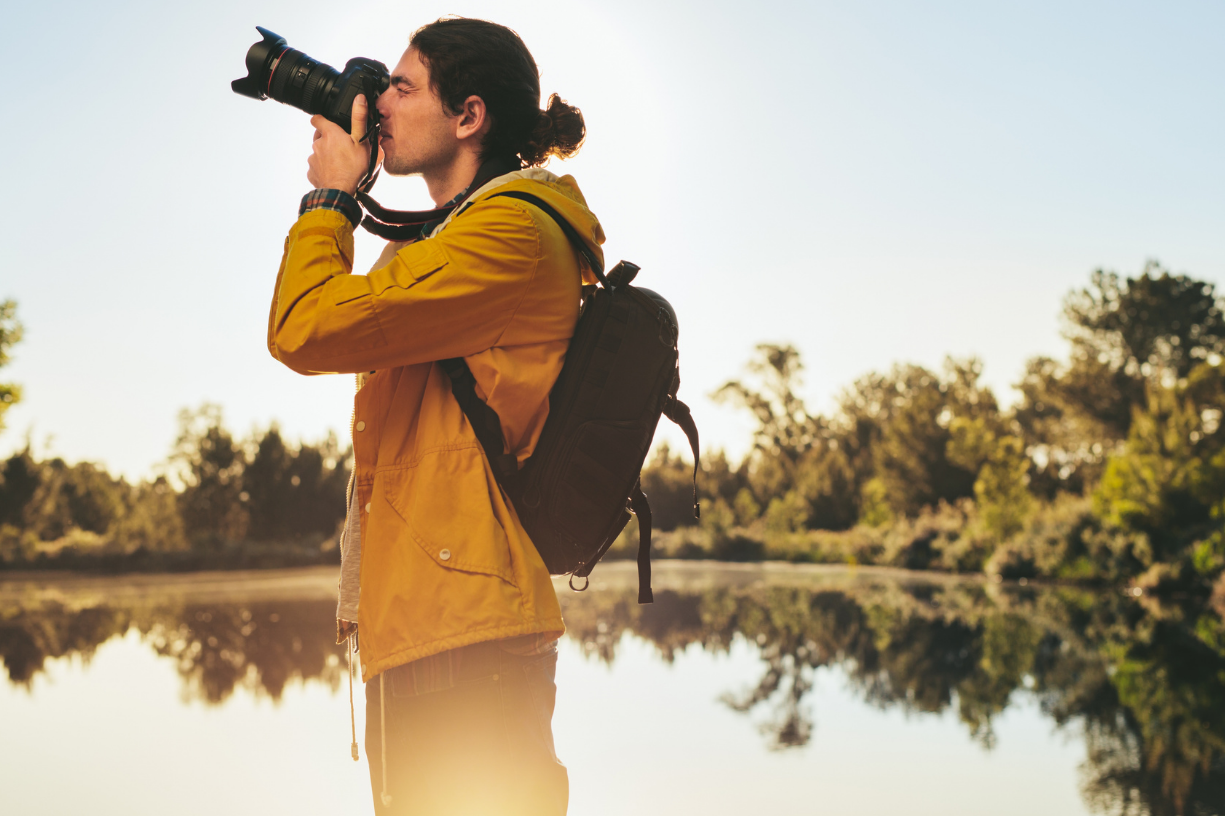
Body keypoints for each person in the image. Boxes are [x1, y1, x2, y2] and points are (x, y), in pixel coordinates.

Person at [266, 17, 603, 815]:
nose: (380, 102)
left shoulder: (509, 232)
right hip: (432, 628)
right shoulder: (449, 236)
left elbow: (304, 327)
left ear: (468, 116)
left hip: (466, 640)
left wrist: (328, 200)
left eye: (401, 86)